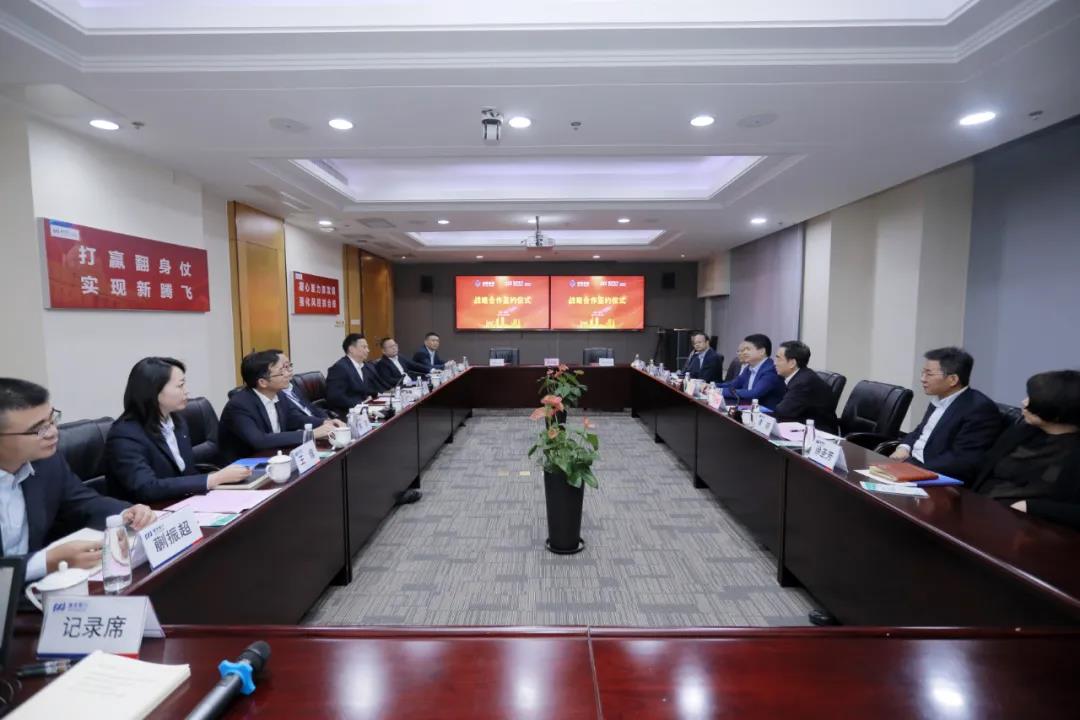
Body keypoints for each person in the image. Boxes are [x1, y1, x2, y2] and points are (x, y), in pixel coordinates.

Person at [0, 378, 154, 582]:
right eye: (38, 429)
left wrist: (126, 513)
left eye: (52, 420)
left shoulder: (46, 462)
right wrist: (47, 561)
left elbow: (83, 502)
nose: (53, 432)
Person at [106, 357, 252, 503]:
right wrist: (213, 479)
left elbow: (187, 472)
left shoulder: (177, 420)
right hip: (149, 511)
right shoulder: (125, 434)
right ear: (154, 391)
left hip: (184, 502)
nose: (186, 392)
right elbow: (147, 488)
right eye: (180, 386)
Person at [972, 370, 1080, 530]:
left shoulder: (1073, 452)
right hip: (981, 509)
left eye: (1033, 400)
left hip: (1030, 528)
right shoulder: (1022, 431)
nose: (1023, 402)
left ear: (1056, 412)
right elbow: (984, 468)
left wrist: (1031, 506)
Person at [889, 347, 1002, 483]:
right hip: (911, 464)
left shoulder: (979, 408)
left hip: (935, 476)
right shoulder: (939, 399)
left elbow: (962, 460)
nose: (922, 379)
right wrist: (904, 448)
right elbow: (921, 430)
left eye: (929, 374)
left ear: (953, 379)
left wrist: (914, 470)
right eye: (923, 373)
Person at [219, 350, 337, 463]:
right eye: (281, 372)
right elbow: (259, 441)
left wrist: (324, 423)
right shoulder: (239, 405)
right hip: (245, 463)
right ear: (263, 382)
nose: (288, 374)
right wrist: (310, 434)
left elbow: (294, 418)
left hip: (274, 455)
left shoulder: (278, 394)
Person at [771, 340, 839, 433]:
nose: (775, 363)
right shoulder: (801, 376)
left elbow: (783, 412)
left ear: (792, 363)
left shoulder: (803, 382)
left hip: (818, 434)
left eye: (779, 359)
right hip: (802, 427)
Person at [718, 334, 786, 409]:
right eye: (743, 350)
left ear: (762, 351)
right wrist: (713, 386)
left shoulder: (770, 369)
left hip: (767, 413)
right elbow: (733, 384)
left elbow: (754, 393)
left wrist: (720, 391)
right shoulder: (749, 368)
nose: (744, 352)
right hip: (748, 408)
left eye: (748, 349)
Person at [326, 334, 387, 412]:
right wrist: (360, 403)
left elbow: (365, 390)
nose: (368, 350)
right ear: (351, 349)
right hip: (347, 412)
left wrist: (380, 395)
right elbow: (335, 397)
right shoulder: (339, 368)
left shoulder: (364, 366)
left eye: (367, 347)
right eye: (364, 347)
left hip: (365, 409)